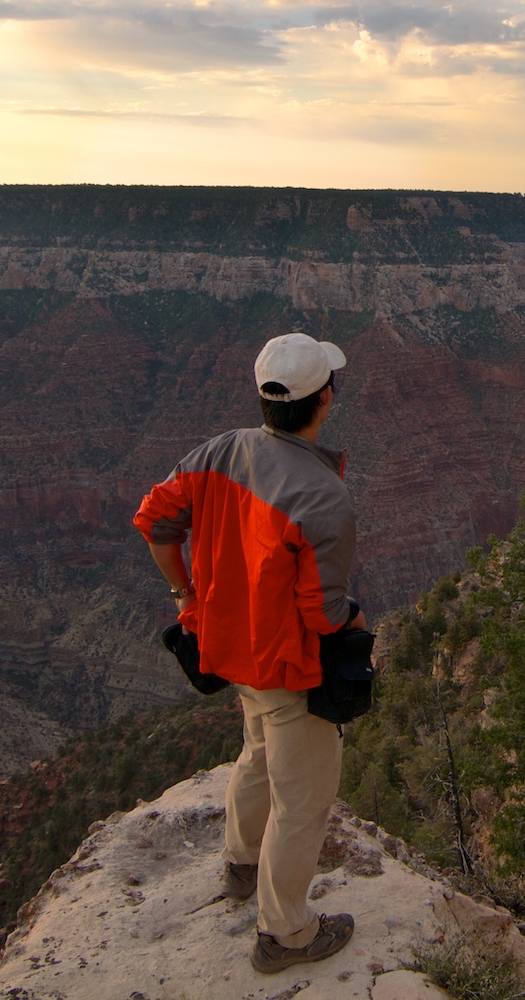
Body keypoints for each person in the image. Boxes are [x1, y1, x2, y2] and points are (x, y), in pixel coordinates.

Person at [133, 332, 366, 974]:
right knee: (304, 799)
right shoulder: (323, 498)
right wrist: (359, 620)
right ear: (324, 399)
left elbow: (155, 522)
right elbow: (322, 613)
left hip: (225, 650)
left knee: (257, 752)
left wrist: (186, 597)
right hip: (285, 666)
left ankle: (240, 866)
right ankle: (285, 933)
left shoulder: (218, 451)